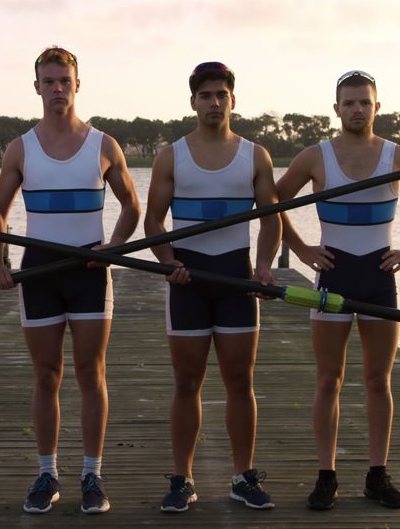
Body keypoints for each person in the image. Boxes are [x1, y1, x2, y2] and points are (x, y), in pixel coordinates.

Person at [276, 70, 400, 510]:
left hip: (379, 281)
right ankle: (326, 476)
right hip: (332, 276)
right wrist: (299, 248)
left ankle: (377, 474)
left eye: (364, 103)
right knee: (329, 380)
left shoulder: (397, 156)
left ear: (377, 106)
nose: (356, 110)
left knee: (378, 380)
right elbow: (272, 202)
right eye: (348, 103)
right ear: (336, 109)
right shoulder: (315, 157)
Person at [0, 46, 140, 515]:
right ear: (37, 88)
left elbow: (132, 206)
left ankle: (92, 473)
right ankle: (47, 473)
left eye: (64, 81)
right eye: (48, 82)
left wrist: (112, 246)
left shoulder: (103, 145)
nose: (56, 89)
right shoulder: (21, 147)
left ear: (77, 85)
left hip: (90, 271)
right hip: (39, 273)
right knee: (47, 375)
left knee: (91, 374)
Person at [143, 61, 281, 513]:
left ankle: (242, 477)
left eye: (222, 94)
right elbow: (153, 222)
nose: (214, 103)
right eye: (206, 95)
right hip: (190, 280)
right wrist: (169, 263)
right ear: (193, 102)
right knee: (187, 383)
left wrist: (263, 267)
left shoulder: (255, 155)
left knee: (240, 381)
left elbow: (270, 218)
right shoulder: (171, 156)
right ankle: (183, 480)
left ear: (233, 101)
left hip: (236, 279)